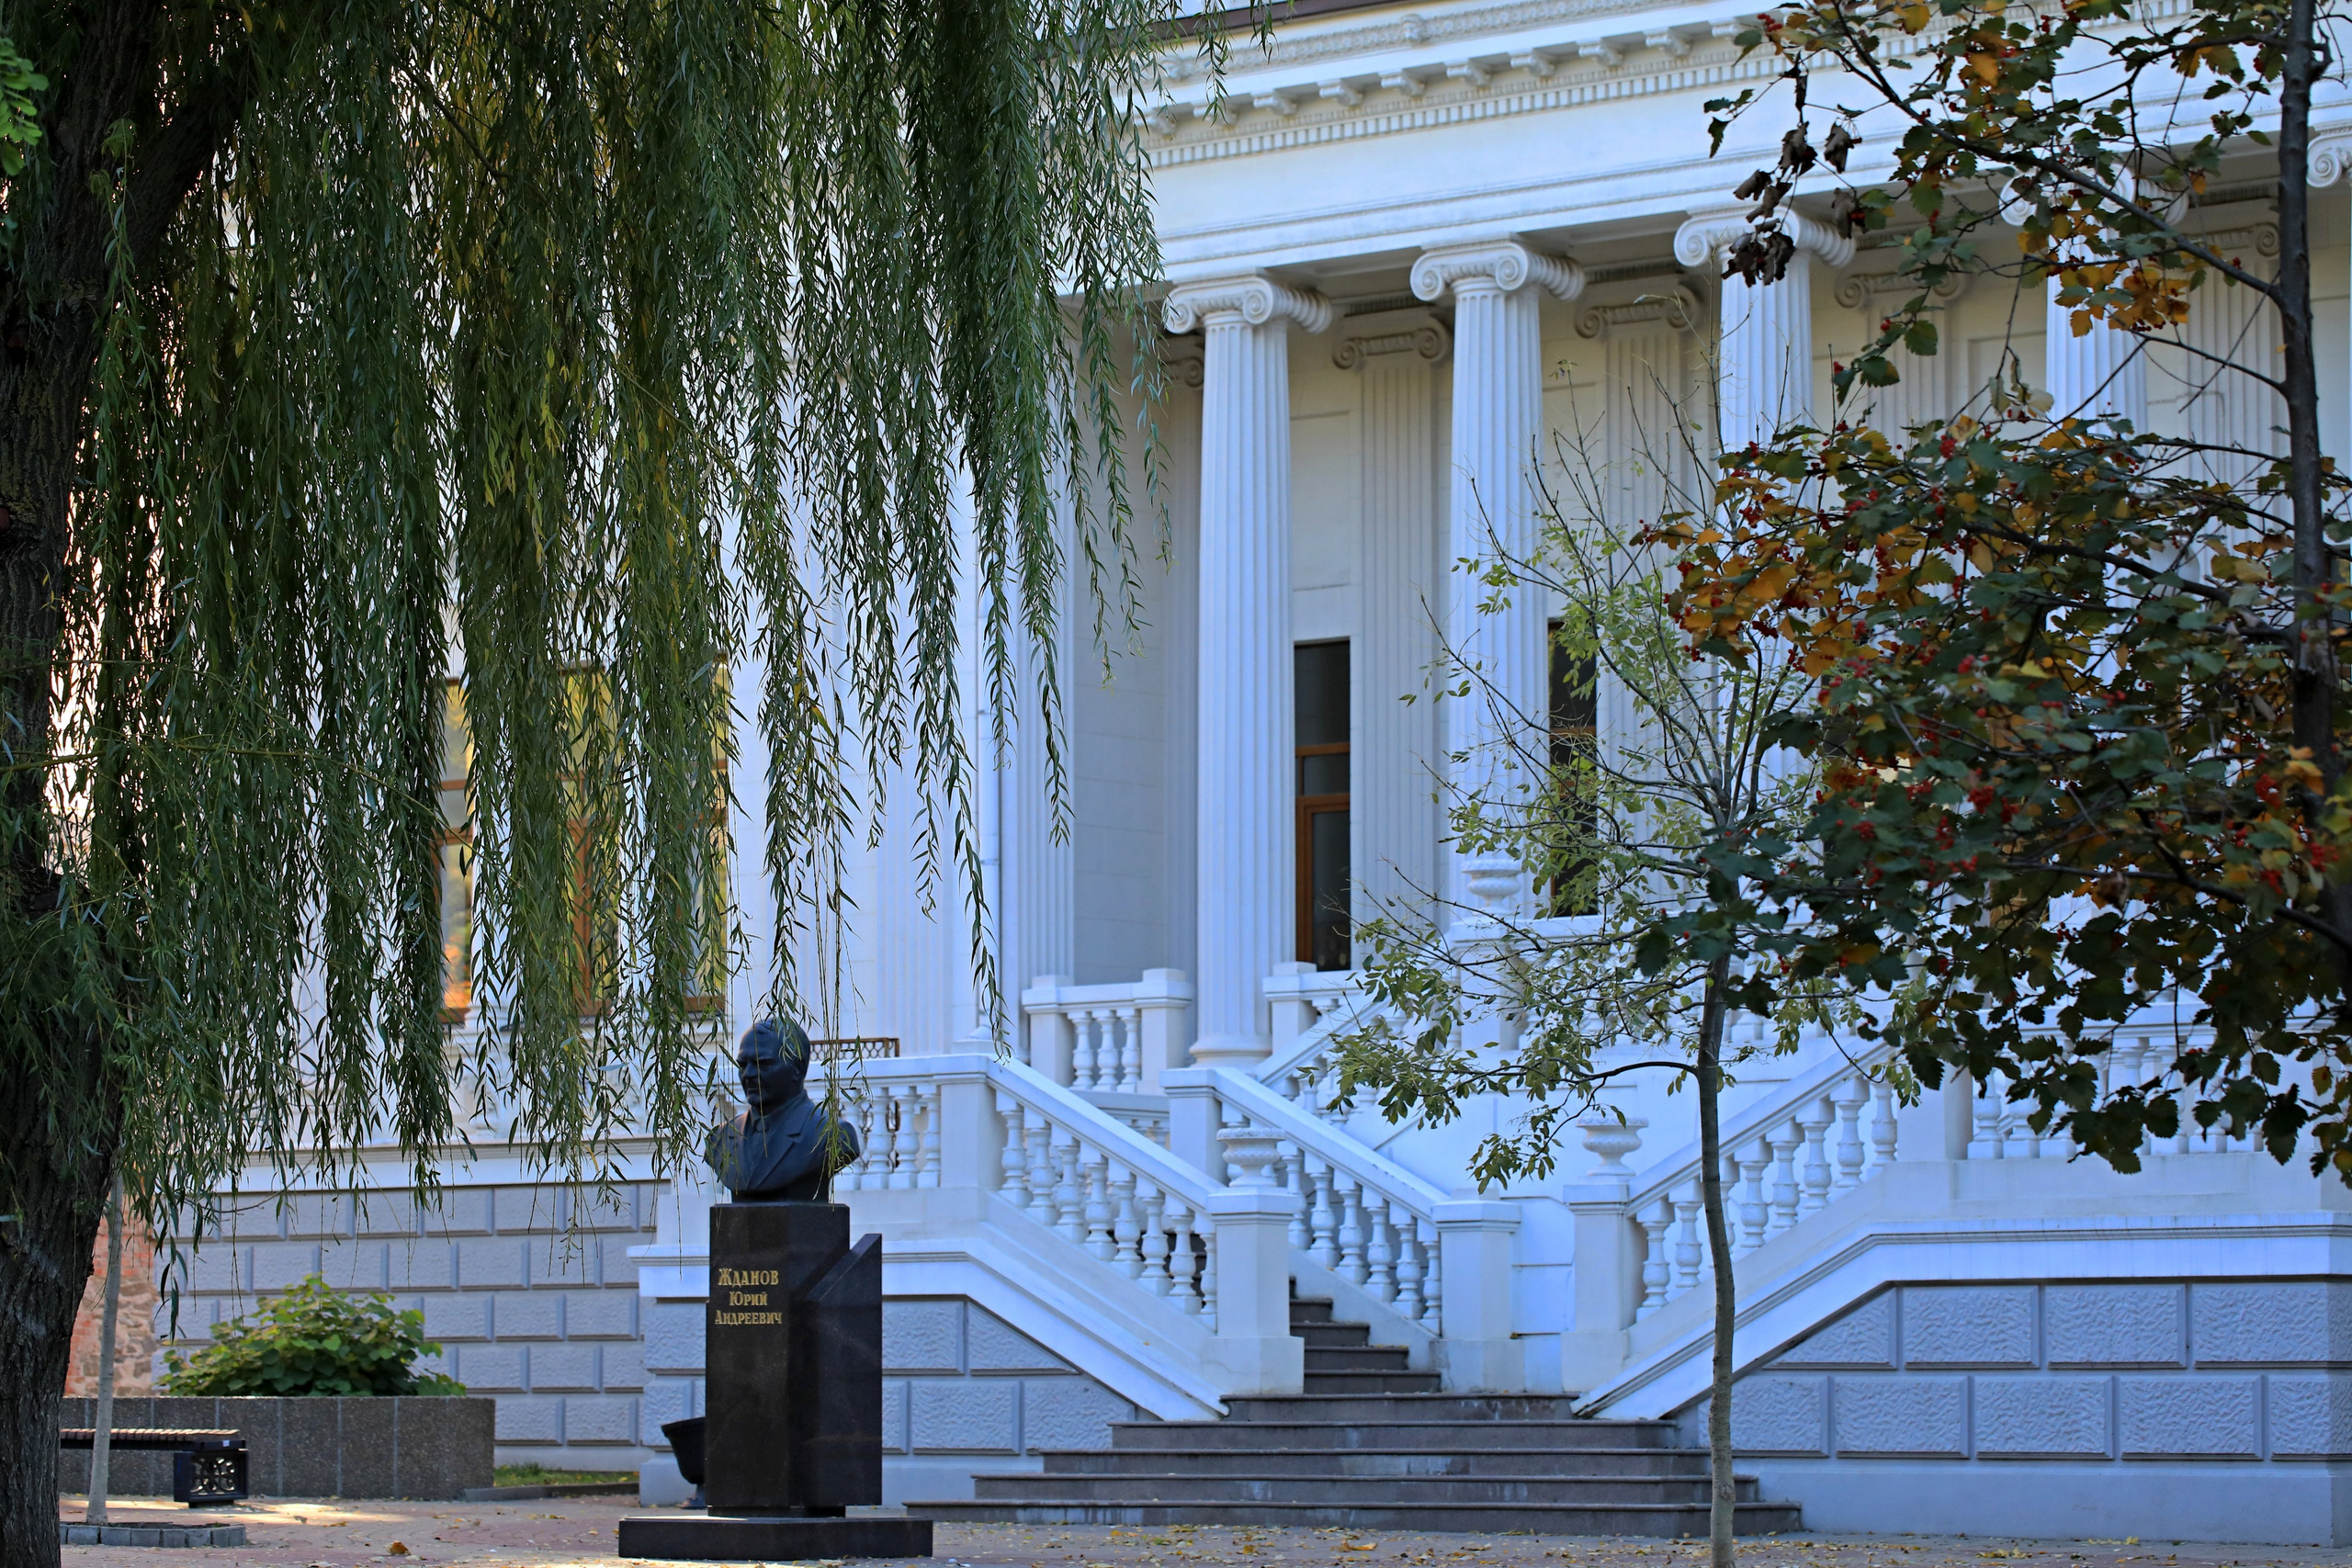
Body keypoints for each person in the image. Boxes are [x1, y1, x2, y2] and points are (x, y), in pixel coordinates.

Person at [703, 1019, 862, 1201]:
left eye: (762, 1064)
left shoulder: (832, 1135)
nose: (748, 1075)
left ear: (798, 1068)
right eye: (743, 1065)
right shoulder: (720, 1139)